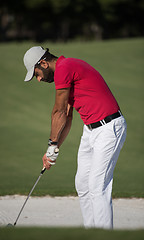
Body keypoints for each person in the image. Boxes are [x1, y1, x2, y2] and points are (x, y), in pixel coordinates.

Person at [23, 46, 127, 229]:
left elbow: (59, 112)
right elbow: (68, 118)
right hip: (91, 130)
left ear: (44, 63)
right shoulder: (66, 70)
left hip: (109, 128)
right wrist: (54, 150)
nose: (38, 79)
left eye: (37, 74)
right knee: (82, 184)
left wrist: (51, 145)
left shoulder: (65, 67)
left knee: (97, 185)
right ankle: (91, 231)